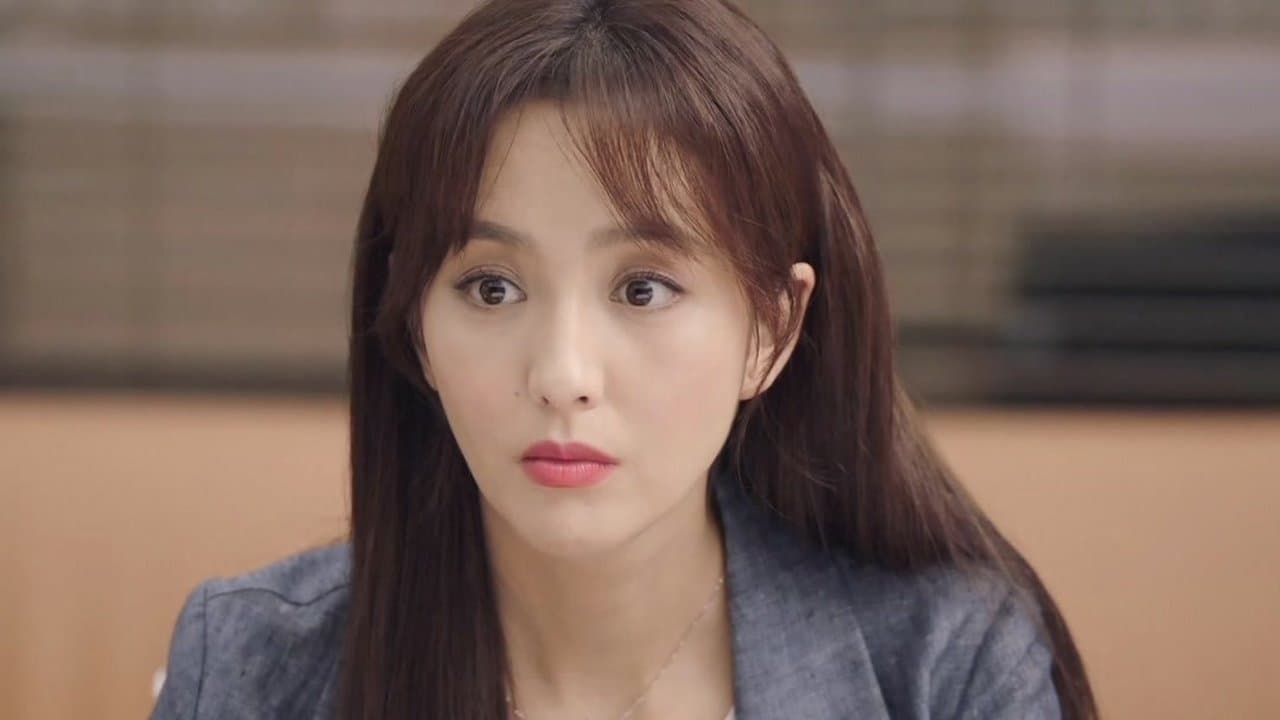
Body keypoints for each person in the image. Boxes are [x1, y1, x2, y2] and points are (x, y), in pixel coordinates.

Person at [150, 1, 1097, 718]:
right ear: (413, 326)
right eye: (492, 288)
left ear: (772, 330)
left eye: (643, 290)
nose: (563, 376)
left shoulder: (947, 663)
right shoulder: (252, 662)